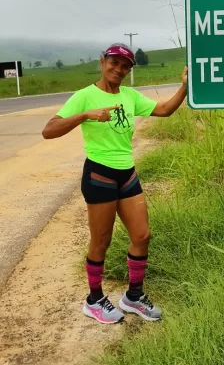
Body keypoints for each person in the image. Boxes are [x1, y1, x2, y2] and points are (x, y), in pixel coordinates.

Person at [42, 43, 188, 325]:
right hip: (99, 174)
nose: (118, 69)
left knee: (143, 235)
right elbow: (49, 130)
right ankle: (94, 300)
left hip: (127, 172)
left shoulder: (130, 96)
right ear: (102, 62)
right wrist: (85, 115)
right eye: (114, 63)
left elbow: (165, 109)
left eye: (125, 66)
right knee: (101, 240)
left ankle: (133, 296)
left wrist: (185, 86)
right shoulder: (85, 96)